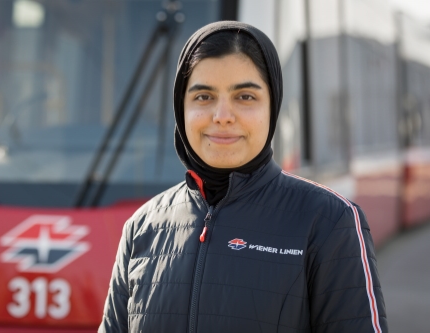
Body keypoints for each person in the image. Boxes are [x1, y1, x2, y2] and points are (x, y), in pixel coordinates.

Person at [99, 21, 387, 333]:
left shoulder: (330, 221)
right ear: (181, 108)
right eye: (204, 96)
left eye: (245, 96)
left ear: (272, 106)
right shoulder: (142, 227)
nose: (222, 115)